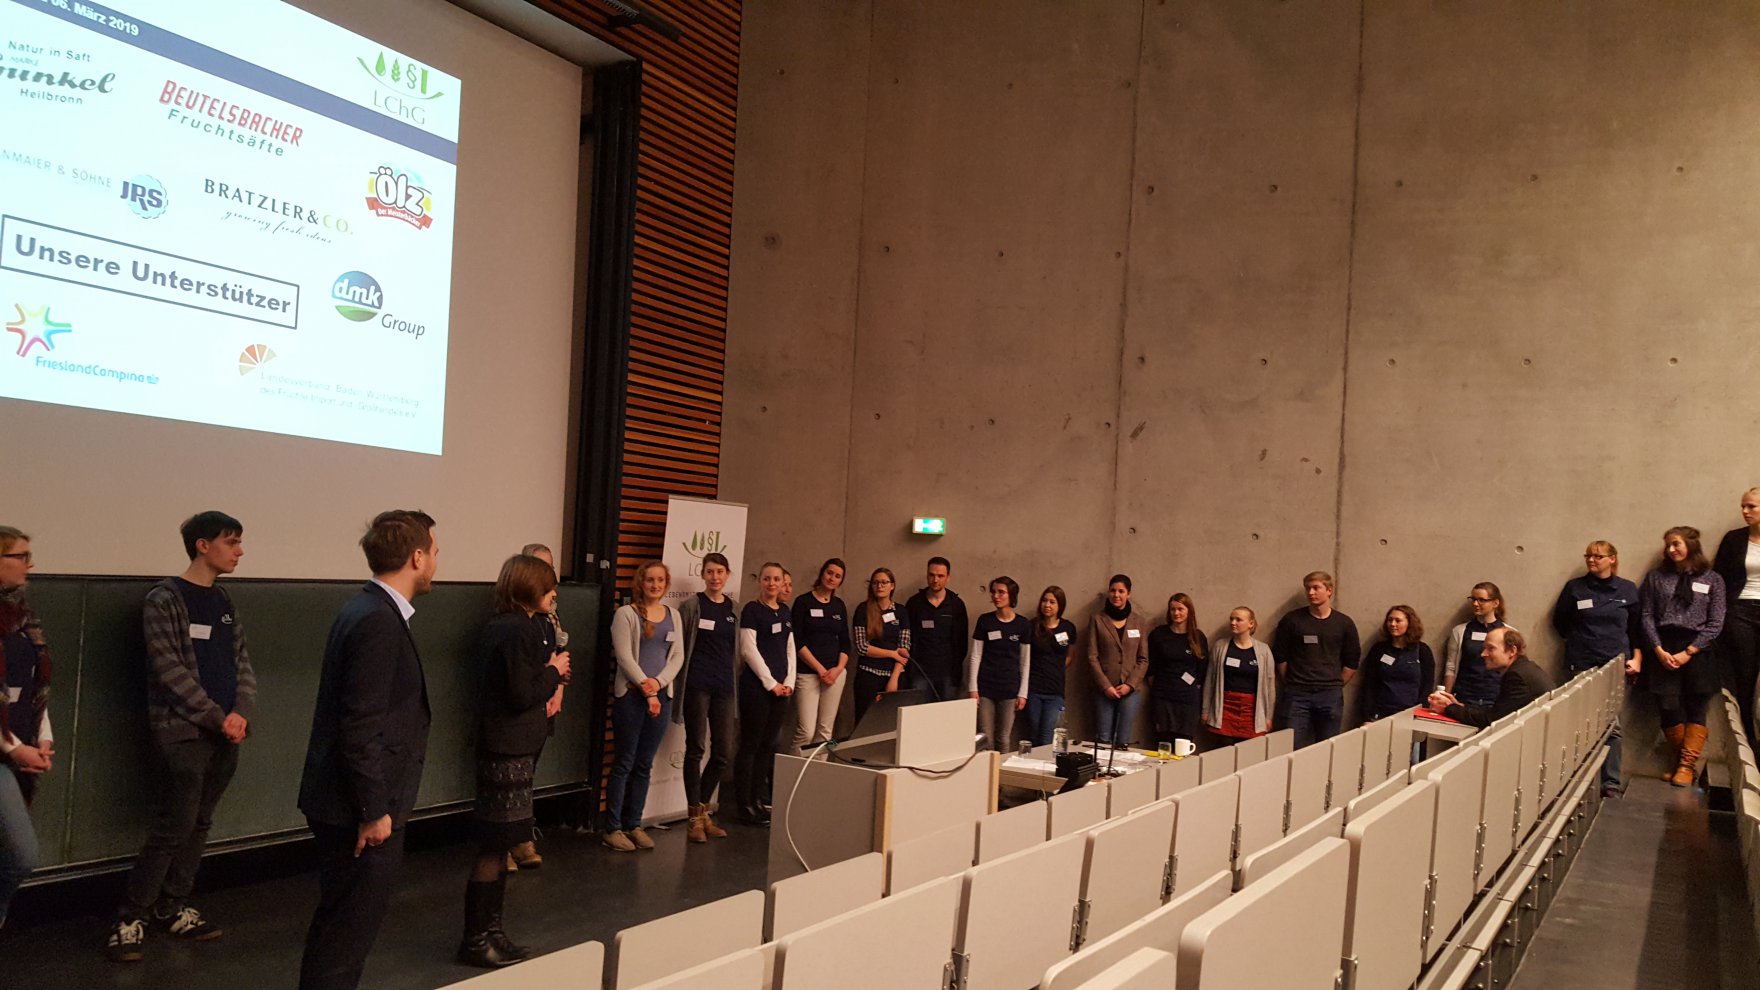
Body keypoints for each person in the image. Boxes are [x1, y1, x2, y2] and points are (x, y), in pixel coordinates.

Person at [297, 510, 438, 990]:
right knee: (347, 933)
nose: (436, 563)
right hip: (357, 811)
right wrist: (373, 811)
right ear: (417, 557)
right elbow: (359, 727)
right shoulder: (377, 620)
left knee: (342, 926)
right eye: (435, 553)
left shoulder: (369, 610)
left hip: (351, 803)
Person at [110, 511, 257, 962]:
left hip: (227, 733)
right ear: (202, 545)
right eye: (231, 542)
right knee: (175, 824)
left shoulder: (224, 599)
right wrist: (216, 717)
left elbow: (241, 661)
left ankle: (173, 906)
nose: (239, 551)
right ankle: (131, 917)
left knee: (201, 822)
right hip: (184, 732)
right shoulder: (164, 599)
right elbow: (168, 669)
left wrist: (241, 711)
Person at [458, 555, 569, 967]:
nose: (554, 594)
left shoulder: (517, 625)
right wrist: (554, 671)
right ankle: (476, 939)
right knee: (494, 845)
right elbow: (521, 693)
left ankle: (493, 931)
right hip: (506, 749)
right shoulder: (515, 629)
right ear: (529, 587)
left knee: (501, 842)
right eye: (548, 586)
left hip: (511, 747)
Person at [604, 561, 683, 851]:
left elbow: (678, 656)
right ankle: (612, 829)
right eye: (650, 580)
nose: (655, 585)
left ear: (666, 584)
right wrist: (647, 690)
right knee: (624, 762)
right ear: (640, 582)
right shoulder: (625, 614)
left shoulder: (674, 616)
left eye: (660, 580)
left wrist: (658, 684)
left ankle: (634, 824)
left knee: (644, 764)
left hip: (661, 697)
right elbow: (624, 657)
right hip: (631, 697)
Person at [1551, 541, 1641, 798]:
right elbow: (1560, 622)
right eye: (1588, 556)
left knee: (1612, 725)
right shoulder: (1575, 588)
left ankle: (1610, 783)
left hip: (1614, 664)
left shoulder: (1627, 589)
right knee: (1578, 722)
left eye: (1598, 556)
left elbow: (1635, 628)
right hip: (1581, 662)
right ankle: (1573, 780)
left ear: (1612, 559)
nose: (1592, 560)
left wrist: (1636, 658)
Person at [1639, 527, 1727, 787]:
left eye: (1676, 544)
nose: (1671, 550)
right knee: (1667, 705)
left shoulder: (1713, 579)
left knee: (1697, 705)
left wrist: (1690, 651)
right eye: (1667, 545)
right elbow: (1646, 615)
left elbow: (1716, 622)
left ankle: (1686, 766)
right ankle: (1680, 761)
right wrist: (1657, 648)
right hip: (1664, 646)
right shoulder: (1656, 577)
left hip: (1697, 648)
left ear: (1691, 545)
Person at [0, 526, 51, 932]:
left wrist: (42, 736)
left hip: (15, 749)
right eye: (20, 556)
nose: (29, 565)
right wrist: (13, 747)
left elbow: (34, 686)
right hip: (5, 752)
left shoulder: (23, 615)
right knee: (21, 855)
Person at [507, 543, 562, 870]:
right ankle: (505, 842)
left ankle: (522, 835)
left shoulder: (549, 616)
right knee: (509, 778)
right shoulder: (512, 622)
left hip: (543, 704)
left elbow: (559, 659)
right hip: (518, 712)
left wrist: (558, 692)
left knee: (528, 774)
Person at [676, 552, 738, 843]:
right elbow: (680, 647)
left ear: (727, 575)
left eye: (720, 572)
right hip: (697, 686)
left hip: (724, 687)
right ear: (702, 574)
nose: (715, 577)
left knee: (723, 752)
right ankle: (694, 820)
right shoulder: (691, 606)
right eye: (710, 571)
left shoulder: (734, 609)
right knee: (696, 749)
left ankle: (702, 812)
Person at [1272, 571, 1361, 747]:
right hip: (1297, 694)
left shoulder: (1344, 623)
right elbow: (1280, 657)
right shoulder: (1292, 620)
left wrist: (1334, 683)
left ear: (1329, 590)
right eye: (1308, 589)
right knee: (1292, 746)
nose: (1311, 593)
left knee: (1327, 746)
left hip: (1330, 695)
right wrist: (1293, 682)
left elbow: (1352, 660)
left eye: (1316, 588)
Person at [734, 563, 794, 825]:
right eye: (767, 578)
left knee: (768, 746)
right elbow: (748, 650)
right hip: (757, 689)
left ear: (783, 583)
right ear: (760, 581)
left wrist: (788, 683)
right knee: (751, 744)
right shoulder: (752, 610)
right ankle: (744, 804)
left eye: (776, 579)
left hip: (781, 691)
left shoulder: (785, 612)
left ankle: (758, 800)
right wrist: (770, 683)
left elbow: (790, 649)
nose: (772, 583)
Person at [1426, 628, 1553, 727]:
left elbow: (1492, 720)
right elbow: (1496, 711)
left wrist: (1448, 708)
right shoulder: (1525, 668)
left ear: (1512, 651)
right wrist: (1459, 706)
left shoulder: (1516, 676)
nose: (1483, 654)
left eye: (1490, 648)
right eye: (1484, 648)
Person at [1712, 489, 1760, 742]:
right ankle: (1751, 742)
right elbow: (1718, 580)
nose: (1745, 511)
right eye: (1743, 506)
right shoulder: (1734, 539)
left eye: (1751, 506)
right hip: (1740, 612)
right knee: (1745, 677)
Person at [791, 559, 851, 749]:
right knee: (806, 731)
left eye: (837, 576)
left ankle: (818, 767)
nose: (832, 578)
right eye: (829, 573)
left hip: (834, 674)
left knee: (825, 731)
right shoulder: (803, 602)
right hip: (808, 673)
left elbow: (845, 642)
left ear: (841, 581)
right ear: (822, 573)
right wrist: (819, 669)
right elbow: (797, 641)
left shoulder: (839, 605)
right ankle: (791, 767)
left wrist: (838, 669)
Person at [967, 577, 1031, 752]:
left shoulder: (1023, 624)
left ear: (1011, 595)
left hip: (1010, 688)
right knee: (985, 736)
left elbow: (1025, 661)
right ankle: (984, 769)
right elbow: (975, 655)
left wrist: (1023, 693)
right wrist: (973, 688)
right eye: (993, 592)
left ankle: (1000, 769)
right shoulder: (985, 621)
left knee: (1003, 738)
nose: (996, 596)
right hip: (986, 687)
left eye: (1001, 592)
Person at [1087, 574, 1149, 748]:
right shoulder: (1097, 619)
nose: (1116, 595)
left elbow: (1143, 659)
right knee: (1103, 739)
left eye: (1121, 591)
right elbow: (1092, 656)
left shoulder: (1139, 622)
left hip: (1130, 689)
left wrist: (1130, 684)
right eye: (1113, 590)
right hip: (1104, 689)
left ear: (1128, 594)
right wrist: (1105, 686)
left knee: (1123, 740)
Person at [1203, 607, 1276, 740]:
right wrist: (1205, 711)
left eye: (1238, 620)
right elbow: (1210, 681)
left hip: (1252, 709)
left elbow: (1270, 685)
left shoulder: (1263, 650)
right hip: (1225, 707)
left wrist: (1268, 716)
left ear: (1250, 624)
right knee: (1224, 747)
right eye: (1231, 619)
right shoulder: (1220, 646)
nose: (1233, 622)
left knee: (1249, 749)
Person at [1147, 594, 1208, 751]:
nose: (1176, 613)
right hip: (1163, 697)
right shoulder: (1159, 634)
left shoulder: (1198, 637)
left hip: (1187, 699)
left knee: (1183, 744)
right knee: (1164, 743)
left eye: (1180, 609)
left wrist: (1193, 687)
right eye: (1172, 609)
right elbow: (1150, 666)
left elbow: (1202, 668)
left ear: (1189, 611)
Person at [850, 567, 910, 726]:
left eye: (884, 582)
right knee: (865, 723)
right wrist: (891, 653)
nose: (880, 586)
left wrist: (894, 678)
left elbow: (904, 648)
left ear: (892, 585)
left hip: (894, 675)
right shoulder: (863, 609)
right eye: (875, 583)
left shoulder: (901, 611)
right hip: (868, 675)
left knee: (891, 725)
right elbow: (862, 647)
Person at [904, 557, 969, 702]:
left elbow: (962, 642)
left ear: (948, 577)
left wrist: (955, 669)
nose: (935, 580)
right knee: (918, 712)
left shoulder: (956, 605)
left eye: (940, 576)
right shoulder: (914, 603)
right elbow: (907, 638)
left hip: (948, 675)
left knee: (946, 713)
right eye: (931, 575)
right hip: (920, 673)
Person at [1444, 582, 1513, 709]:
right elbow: (1451, 667)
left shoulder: (1509, 633)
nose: (1476, 604)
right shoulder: (1460, 631)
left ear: (1495, 603)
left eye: (1482, 600)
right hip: (1464, 697)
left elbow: (1513, 667)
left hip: (1495, 699)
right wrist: (1447, 697)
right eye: (1473, 599)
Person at [1357, 605, 1433, 720]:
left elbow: (1427, 686)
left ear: (1409, 623)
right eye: (1390, 620)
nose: (1392, 624)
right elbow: (1369, 685)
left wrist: (1420, 714)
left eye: (1398, 621)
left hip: (1410, 714)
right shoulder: (1379, 649)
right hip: (1381, 713)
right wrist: (1367, 717)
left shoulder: (1423, 651)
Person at [1024, 587, 1076, 747]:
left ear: (1060, 605)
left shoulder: (1068, 628)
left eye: (1052, 602)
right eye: (1044, 601)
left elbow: (1070, 655)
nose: (1047, 605)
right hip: (1033, 689)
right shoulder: (1032, 626)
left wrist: (1057, 669)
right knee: (1033, 733)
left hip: (1055, 691)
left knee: (1047, 736)